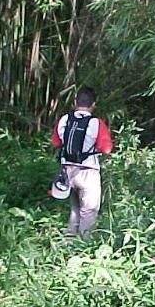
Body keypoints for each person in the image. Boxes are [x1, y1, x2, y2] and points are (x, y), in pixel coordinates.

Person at [51, 86, 113, 238]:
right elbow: (106, 149)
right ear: (93, 105)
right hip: (88, 171)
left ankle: (69, 242)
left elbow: (56, 143)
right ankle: (85, 244)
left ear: (74, 102)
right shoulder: (96, 123)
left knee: (75, 210)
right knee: (89, 211)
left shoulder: (64, 119)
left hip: (67, 172)